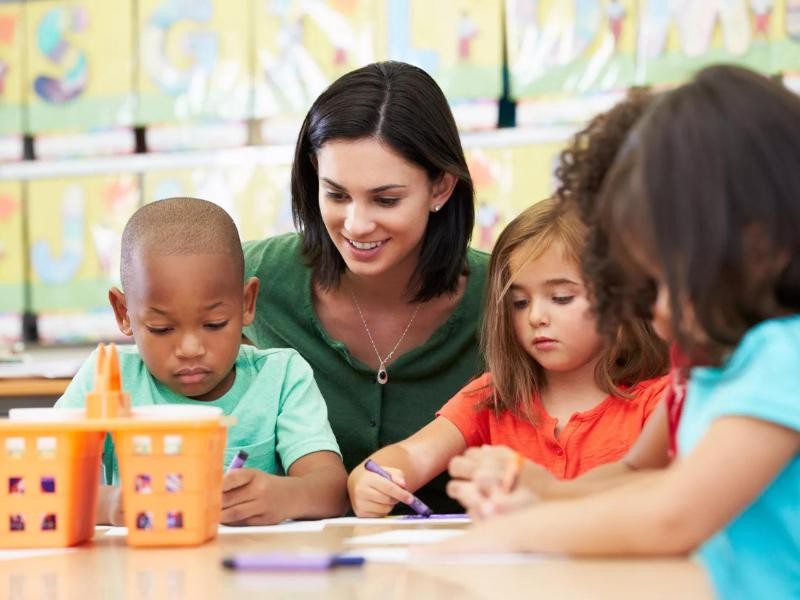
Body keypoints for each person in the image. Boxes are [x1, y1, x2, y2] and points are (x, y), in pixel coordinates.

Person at [426, 65, 800, 600]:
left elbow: (674, 512)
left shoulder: (783, 356)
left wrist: (518, 533)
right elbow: (638, 474)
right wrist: (550, 495)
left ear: (756, 244)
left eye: (666, 284)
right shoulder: (711, 367)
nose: (656, 315)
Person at [242, 61, 489, 512]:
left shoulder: (508, 295)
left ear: (441, 188)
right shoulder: (252, 277)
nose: (355, 224)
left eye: (386, 199)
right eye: (336, 194)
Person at [348, 198, 668, 517]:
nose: (536, 317)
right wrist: (370, 480)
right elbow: (411, 455)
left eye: (561, 298)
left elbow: (663, 498)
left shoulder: (660, 401)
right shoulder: (494, 396)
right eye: (518, 302)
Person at [447, 88, 678, 517]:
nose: (632, 297)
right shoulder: (693, 372)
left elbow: (674, 514)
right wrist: (541, 491)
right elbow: (630, 472)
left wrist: (528, 515)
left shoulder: (768, 362)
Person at [56, 197, 348, 526]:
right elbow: (40, 483)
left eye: (214, 324)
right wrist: (108, 504)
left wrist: (284, 497)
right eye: (161, 329)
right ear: (123, 313)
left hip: (253, 570)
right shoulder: (106, 378)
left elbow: (333, 490)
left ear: (246, 303)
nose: (191, 348)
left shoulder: (282, 376)